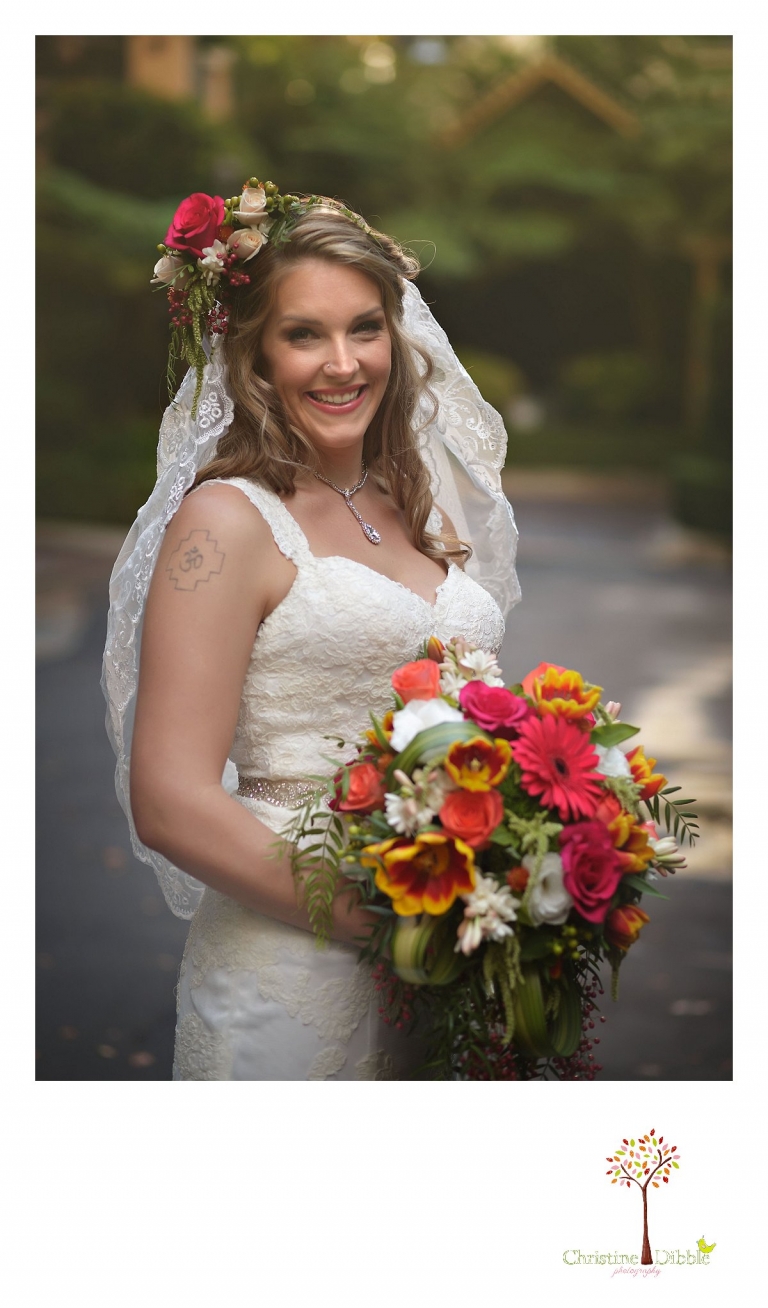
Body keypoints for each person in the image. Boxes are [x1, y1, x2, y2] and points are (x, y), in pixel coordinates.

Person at [102, 181, 520, 1080]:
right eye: (304, 334)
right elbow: (170, 799)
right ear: (252, 355)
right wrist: (392, 920)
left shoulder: (406, 499)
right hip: (290, 974)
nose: (344, 362)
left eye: (364, 328)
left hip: (438, 970)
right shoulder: (225, 522)